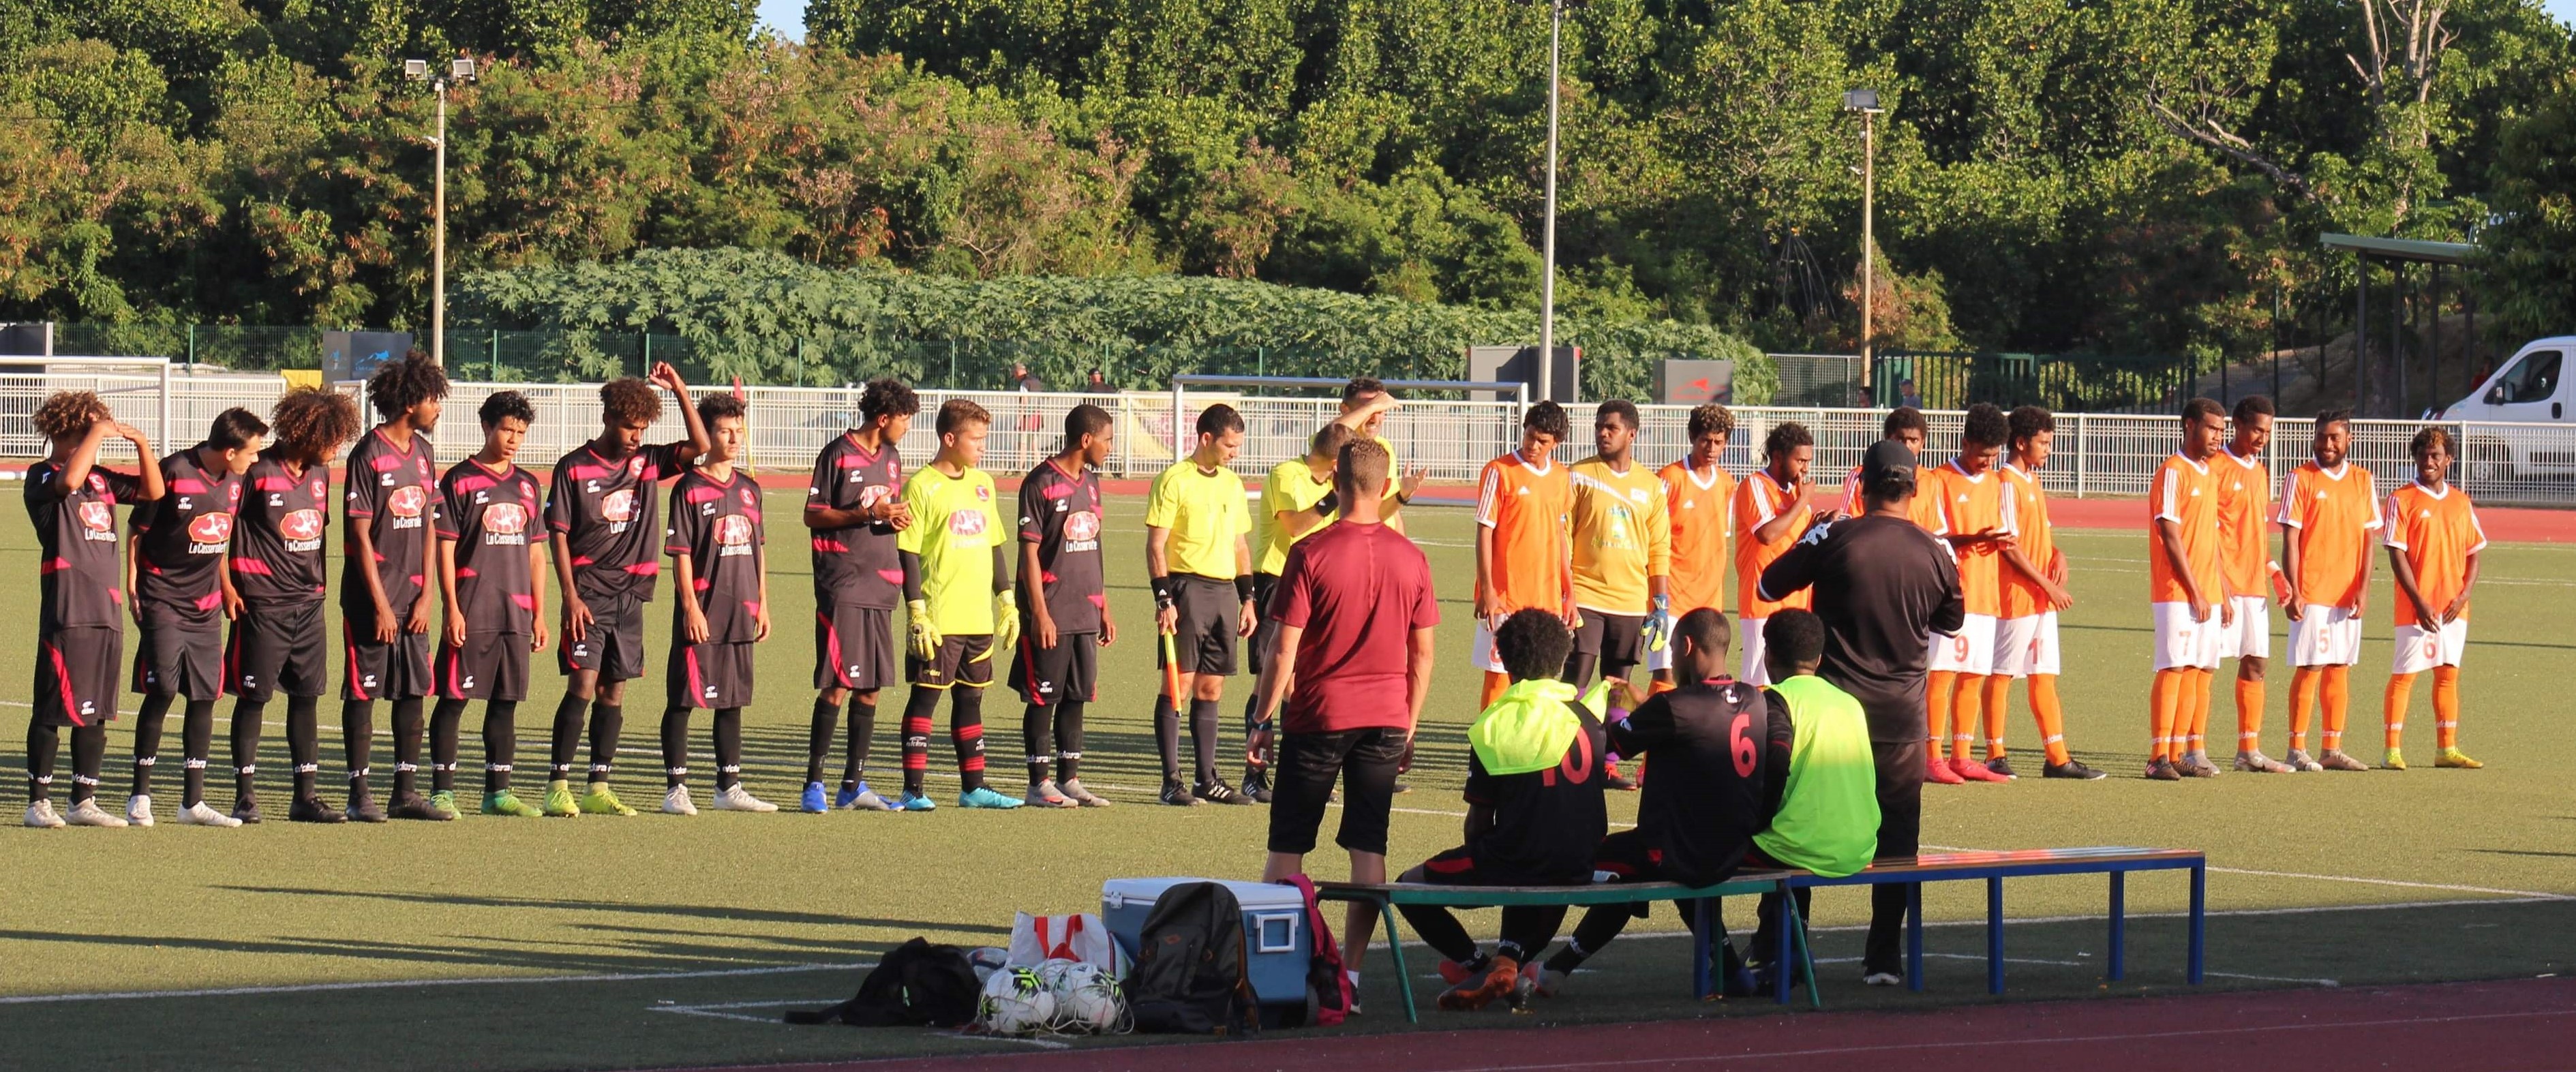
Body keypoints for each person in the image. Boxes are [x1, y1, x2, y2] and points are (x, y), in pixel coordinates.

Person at [1759, 439, 1964, 986]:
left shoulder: (1835, 534)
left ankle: (1782, 949)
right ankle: (1883, 959)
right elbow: (1952, 620)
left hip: (1829, 716)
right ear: (1913, 488)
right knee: (1898, 838)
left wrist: (1809, 537)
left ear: (1864, 484)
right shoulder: (1935, 549)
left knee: (1797, 823)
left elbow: (1767, 584)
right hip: (1900, 719)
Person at [1249, 438, 1438, 1007]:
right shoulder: (1413, 557)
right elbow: (1423, 655)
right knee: (1367, 847)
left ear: (1335, 483)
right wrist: (1408, 724)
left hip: (1319, 714)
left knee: (1287, 846)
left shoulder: (1311, 551)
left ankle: (1277, 975)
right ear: (1385, 487)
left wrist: (1261, 718)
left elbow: (1283, 649)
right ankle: (1350, 979)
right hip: (1385, 716)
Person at [1531, 609, 1788, 997]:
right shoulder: (1755, 699)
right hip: (1735, 846)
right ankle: (1734, 973)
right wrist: (1644, 704)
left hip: (1675, 852)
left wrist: (1600, 709)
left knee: (1565, 861)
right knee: (1643, 867)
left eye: (1672, 649)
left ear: (1687, 647)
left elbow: (1606, 746)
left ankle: (1509, 961)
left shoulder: (1676, 706)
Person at [1395, 609, 1604, 1012]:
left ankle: (1479, 964)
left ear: (1504, 662)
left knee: (1408, 887)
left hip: (1518, 862)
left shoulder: (1494, 723)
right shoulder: (1590, 720)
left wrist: (1481, 854)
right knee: (1542, 852)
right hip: (1580, 861)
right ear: (1563, 662)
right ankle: (1508, 962)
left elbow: (1478, 823)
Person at [543, 365, 710, 818]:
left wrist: (679, 388)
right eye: (629, 426)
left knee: (614, 690)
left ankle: (599, 782)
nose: (636, 436)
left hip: (632, 593)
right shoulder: (573, 467)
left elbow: (701, 446)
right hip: (589, 592)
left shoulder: (647, 462)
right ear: (609, 417)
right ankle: (557, 781)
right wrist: (569, 595)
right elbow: (557, 533)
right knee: (583, 681)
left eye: (642, 428)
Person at [23, 392, 164, 828]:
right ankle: (37, 803)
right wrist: (100, 430)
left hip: (106, 606)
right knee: (52, 707)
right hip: (68, 605)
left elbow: (152, 493)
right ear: (67, 433)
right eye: (89, 433)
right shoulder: (41, 475)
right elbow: (67, 483)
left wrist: (142, 445)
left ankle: (83, 800)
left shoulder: (99, 479)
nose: (98, 439)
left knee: (97, 709)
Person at [226, 388, 362, 823]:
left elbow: (315, 535)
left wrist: (318, 587)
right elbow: (220, 531)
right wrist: (228, 586)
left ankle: (305, 796)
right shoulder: (258, 471)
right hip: (263, 605)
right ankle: (244, 796)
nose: (335, 448)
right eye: (331, 438)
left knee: (307, 697)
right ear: (308, 432)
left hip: (309, 605)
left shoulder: (320, 475)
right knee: (254, 698)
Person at [128, 408, 267, 827]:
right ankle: (140, 795)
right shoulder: (173, 471)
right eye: (252, 452)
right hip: (163, 598)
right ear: (229, 452)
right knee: (165, 689)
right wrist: (134, 588)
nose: (256, 459)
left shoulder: (238, 481)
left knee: (206, 695)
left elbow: (218, 535)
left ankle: (193, 803)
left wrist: (225, 586)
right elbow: (137, 531)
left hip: (206, 605)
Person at [894, 399, 1024, 810]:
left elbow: (994, 545)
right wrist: (917, 611)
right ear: (950, 439)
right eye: (976, 438)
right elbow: (909, 553)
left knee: (971, 700)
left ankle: (974, 788)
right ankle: (913, 790)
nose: (983, 446)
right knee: (926, 698)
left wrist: (1007, 600)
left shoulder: (983, 482)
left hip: (977, 618)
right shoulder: (921, 486)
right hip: (939, 619)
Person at [1744, 609, 1882, 985]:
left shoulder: (1775, 700)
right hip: (1860, 845)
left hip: (1802, 845)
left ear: (1768, 655)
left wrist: (1750, 822)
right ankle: (1775, 945)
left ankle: (1735, 958)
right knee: (1791, 834)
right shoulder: (1849, 703)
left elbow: (1771, 775)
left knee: (1710, 851)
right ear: (1819, 659)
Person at [802, 379, 920, 812]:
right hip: (843, 581)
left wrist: (893, 520)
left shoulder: (891, 457)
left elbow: (884, 511)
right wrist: (867, 513)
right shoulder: (837, 452)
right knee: (837, 684)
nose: (908, 428)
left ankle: (853, 784)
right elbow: (812, 515)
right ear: (884, 418)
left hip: (880, 581)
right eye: (905, 420)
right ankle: (814, 782)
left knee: (870, 687)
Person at [433, 392, 551, 818]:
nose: (513, 439)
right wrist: (452, 608)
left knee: (506, 700)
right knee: (454, 698)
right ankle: (442, 790)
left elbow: (537, 554)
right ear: (487, 427)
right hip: (473, 607)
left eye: (520, 432)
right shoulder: (460, 480)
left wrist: (539, 612)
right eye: (506, 430)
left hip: (515, 613)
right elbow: (444, 550)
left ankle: (497, 791)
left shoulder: (528, 485)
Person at [342, 356, 451, 821]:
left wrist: (427, 594)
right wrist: (382, 604)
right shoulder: (368, 454)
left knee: (412, 692)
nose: (438, 408)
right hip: (373, 599)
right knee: (364, 693)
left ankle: (405, 791)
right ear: (409, 403)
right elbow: (359, 536)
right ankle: (358, 792)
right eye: (432, 399)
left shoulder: (424, 453)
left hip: (414, 599)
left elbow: (429, 524)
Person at [658, 393, 776, 814]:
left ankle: (729, 787)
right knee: (684, 698)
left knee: (733, 698)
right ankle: (676, 788)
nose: (733, 438)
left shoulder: (749, 488)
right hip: (704, 611)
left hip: (741, 609)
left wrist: (762, 602)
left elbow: (759, 550)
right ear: (706, 434)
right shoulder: (689, 488)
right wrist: (690, 606)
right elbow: (681, 553)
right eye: (725, 430)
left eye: (738, 430)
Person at [1143, 404, 1256, 806]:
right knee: (1179, 685)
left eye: (1238, 446)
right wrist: (1164, 599)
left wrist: (1248, 598)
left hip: (1225, 592)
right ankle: (1171, 781)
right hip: (1186, 589)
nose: (1234, 452)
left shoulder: (1232, 483)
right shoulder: (1174, 480)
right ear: (1206, 438)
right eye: (1229, 444)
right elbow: (1156, 546)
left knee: (1212, 687)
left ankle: (1207, 778)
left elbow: (1241, 545)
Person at [1012, 403, 1119, 808]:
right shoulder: (1039, 482)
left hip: (1085, 610)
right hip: (1052, 611)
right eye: (1107, 440)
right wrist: (1039, 612)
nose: (1110, 447)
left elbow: (1094, 545)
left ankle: (1069, 778)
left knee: (1077, 695)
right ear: (1086, 439)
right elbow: (1029, 554)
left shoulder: (1091, 482)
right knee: (1044, 696)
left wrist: (1104, 605)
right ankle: (1038, 783)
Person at [1243, 423, 1352, 801]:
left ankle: (1300, 775)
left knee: (1304, 681)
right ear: (1337, 462)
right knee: (1272, 678)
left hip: (1319, 582)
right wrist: (1334, 499)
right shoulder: (1286, 473)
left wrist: (1400, 496)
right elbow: (1294, 526)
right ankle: (1254, 777)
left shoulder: (1336, 483)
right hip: (1278, 581)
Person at [1992, 406, 2101, 780]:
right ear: (2021, 443)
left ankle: (2057, 757)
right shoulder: (2005, 482)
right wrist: (2048, 584)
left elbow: (2039, 533)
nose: (2048, 449)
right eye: (2043, 443)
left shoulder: (2031, 480)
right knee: (2002, 674)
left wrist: (2058, 553)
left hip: (2039, 596)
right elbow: (2008, 546)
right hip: (2015, 595)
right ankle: (1995, 754)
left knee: (2044, 674)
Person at [2276, 410, 2378, 773]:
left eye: (2335, 437)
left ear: (2348, 439)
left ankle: (2332, 747)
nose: (2328, 444)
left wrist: (2363, 589)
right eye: (2322, 437)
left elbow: (2369, 540)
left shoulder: (2364, 481)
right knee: (2311, 666)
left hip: (2346, 593)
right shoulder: (2300, 478)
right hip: (2313, 590)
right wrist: (2295, 589)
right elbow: (2291, 537)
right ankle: (2296, 747)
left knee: (2340, 666)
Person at [2380, 427, 2487, 771]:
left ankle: (2446, 749)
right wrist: (2419, 601)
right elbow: (2396, 555)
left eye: (2436, 456)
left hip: (2454, 608)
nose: (2429, 461)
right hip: (2416, 608)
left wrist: (2464, 595)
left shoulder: (2461, 502)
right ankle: (2392, 750)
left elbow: (2474, 552)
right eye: (2424, 455)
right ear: (2416, 457)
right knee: (2405, 675)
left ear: (2448, 460)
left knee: (2447, 674)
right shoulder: (2402, 499)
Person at [1923, 403, 2014, 785]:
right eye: (1981, 455)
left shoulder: (1996, 484)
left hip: (1987, 593)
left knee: (1974, 674)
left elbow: (2009, 535)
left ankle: (1963, 754)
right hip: (1950, 595)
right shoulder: (1938, 479)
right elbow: (1932, 536)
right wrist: (1977, 538)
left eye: (1993, 457)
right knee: (1942, 674)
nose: (1987, 463)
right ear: (1965, 443)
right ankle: (1931, 756)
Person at [2145, 399, 2231, 781]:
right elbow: (2170, 532)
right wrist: (2195, 588)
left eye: (2222, 429)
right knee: (2174, 666)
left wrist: (2222, 589)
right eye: (2212, 428)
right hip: (2177, 590)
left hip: (2207, 591)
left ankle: (2178, 752)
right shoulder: (2173, 471)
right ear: (2190, 426)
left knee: (2198, 669)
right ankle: (2156, 756)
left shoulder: (2209, 473)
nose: (2219, 435)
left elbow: (2209, 539)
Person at [1472, 401, 1576, 708]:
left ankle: (1530, 749)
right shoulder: (1499, 471)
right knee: (1499, 679)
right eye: (1530, 435)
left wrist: (1569, 592)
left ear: (1556, 443)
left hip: (1546, 599)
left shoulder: (1561, 477)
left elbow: (1560, 536)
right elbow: (1484, 532)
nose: (1533, 445)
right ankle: (1488, 749)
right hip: (1505, 599)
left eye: (1542, 441)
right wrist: (1488, 590)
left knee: (1541, 681)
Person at [1565, 400, 1672, 694]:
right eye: (1599, 427)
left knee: (1617, 690)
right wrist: (1566, 593)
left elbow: (1659, 548)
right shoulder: (1578, 474)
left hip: (1631, 601)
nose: (1603, 433)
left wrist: (1661, 602)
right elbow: (1564, 538)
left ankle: (1612, 742)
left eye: (1611, 427)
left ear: (1631, 434)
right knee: (1576, 684)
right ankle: (1571, 741)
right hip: (1585, 595)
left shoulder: (1652, 485)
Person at [2214, 396, 2284, 773]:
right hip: (2222, 584)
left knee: (2256, 663)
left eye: (2268, 432)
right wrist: (2219, 583)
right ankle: (2193, 749)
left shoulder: (2260, 472)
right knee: (2206, 666)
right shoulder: (2216, 467)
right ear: (2237, 424)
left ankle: (2248, 751)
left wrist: (2275, 572)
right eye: (2257, 429)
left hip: (2254, 584)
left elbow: (2256, 532)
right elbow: (2205, 533)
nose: (2262, 438)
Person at [1732, 421, 1825, 686]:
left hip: (1797, 602)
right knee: (1760, 683)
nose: (1805, 468)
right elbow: (1768, 535)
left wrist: (1817, 524)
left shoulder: (1796, 492)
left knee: (1794, 683)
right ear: (1778, 457)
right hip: (1762, 603)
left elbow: (1798, 541)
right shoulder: (1756, 485)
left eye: (1808, 460)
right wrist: (1802, 502)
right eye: (1800, 460)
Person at [1655, 404, 1736, 687]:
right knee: (1666, 673)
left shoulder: (1727, 483)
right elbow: (1654, 538)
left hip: (1709, 601)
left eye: (1719, 442)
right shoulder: (1669, 478)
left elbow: (1722, 538)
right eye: (1706, 440)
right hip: (1672, 597)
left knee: (1703, 676)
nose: (1712, 448)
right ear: (1692, 437)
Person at [1334, 378, 1426, 534]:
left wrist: (1401, 496)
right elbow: (1363, 517)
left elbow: (1389, 514)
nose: (1375, 419)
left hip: (1381, 545)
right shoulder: (1331, 449)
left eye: (1381, 410)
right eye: (1369, 409)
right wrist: (1401, 497)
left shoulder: (1384, 447)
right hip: (1352, 545)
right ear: (1345, 410)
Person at [1841, 408, 1945, 536]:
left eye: (1914, 440)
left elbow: (1936, 533)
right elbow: (1846, 525)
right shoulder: (1861, 476)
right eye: (1901, 439)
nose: (1907, 446)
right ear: (1887, 438)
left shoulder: (1929, 481)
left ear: (1922, 443)